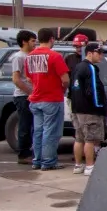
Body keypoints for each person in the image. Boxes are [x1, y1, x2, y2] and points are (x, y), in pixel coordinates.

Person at [25, 28, 70, 170]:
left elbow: (28, 78)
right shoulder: (55, 56)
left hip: (35, 99)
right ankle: (48, 161)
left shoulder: (30, 56)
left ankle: (37, 160)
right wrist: (62, 89)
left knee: (38, 131)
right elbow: (65, 79)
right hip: (52, 99)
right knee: (51, 132)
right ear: (52, 39)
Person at [69, 42, 107, 176]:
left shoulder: (77, 67)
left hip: (77, 108)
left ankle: (78, 165)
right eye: (99, 53)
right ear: (90, 53)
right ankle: (90, 166)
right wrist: (100, 106)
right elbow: (94, 90)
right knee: (90, 139)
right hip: (89, 110)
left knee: (79, 138)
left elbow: (72, 88)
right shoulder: (90, 68)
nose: (101, 56)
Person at [10, 30, 37, 164]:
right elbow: (16, 79)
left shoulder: (32, 55)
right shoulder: (19, 57)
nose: (35, 43)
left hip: (33, 95)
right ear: (24, 41)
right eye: (32, 41)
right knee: (25, 125)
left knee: (32, 125)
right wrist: (30, 92)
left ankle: (32, 151)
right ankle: (23, 155)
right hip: (23, 97)